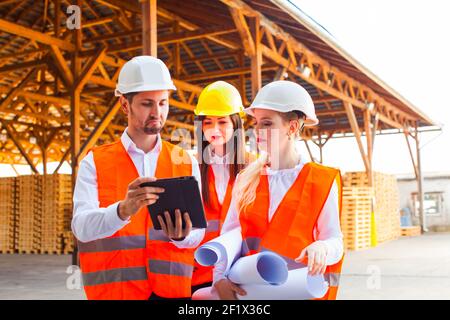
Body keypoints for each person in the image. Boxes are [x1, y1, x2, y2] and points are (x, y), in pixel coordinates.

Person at [72, 56, 205, 300]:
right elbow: (81, 228)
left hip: (172, 292)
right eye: (147, 104)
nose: (157, 112)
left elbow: (197, 232)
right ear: (125, 104)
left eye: (163, 103)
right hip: (115, 293)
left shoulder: (185, 161)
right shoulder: (95, 162)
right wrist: (122, 211)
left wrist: (182, 236)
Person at [213, 80, 345, 300]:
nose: (257, 131)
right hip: (252, 295)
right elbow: (229, 235)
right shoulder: (245, 179)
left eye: (266, 123)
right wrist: (219, 279)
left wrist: (322, 247)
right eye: (256, 123)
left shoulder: (322, 180)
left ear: (292, 127)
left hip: (298, 293)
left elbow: (335, 241)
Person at [191, 81, 256, 294]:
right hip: (199, 273)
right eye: (207, 122)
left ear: (236, 124)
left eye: (222, 122)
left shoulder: (254, 168)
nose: (214, 129)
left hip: (240, 273)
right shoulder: (190, 167)